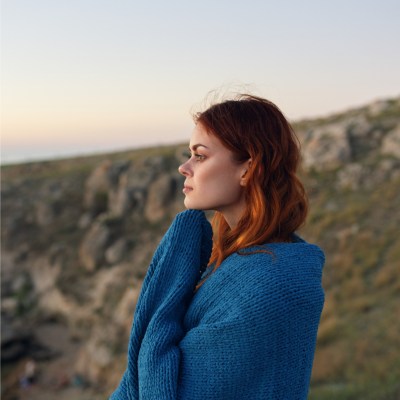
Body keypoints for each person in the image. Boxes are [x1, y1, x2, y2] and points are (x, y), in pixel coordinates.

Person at [110, 94, 325, 400]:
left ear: (248, 167)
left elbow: (168, 394)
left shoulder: (268, 284)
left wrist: (170, 275)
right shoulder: (233, 260)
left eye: (200, 155)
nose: (185, 167)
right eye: (189, 154)